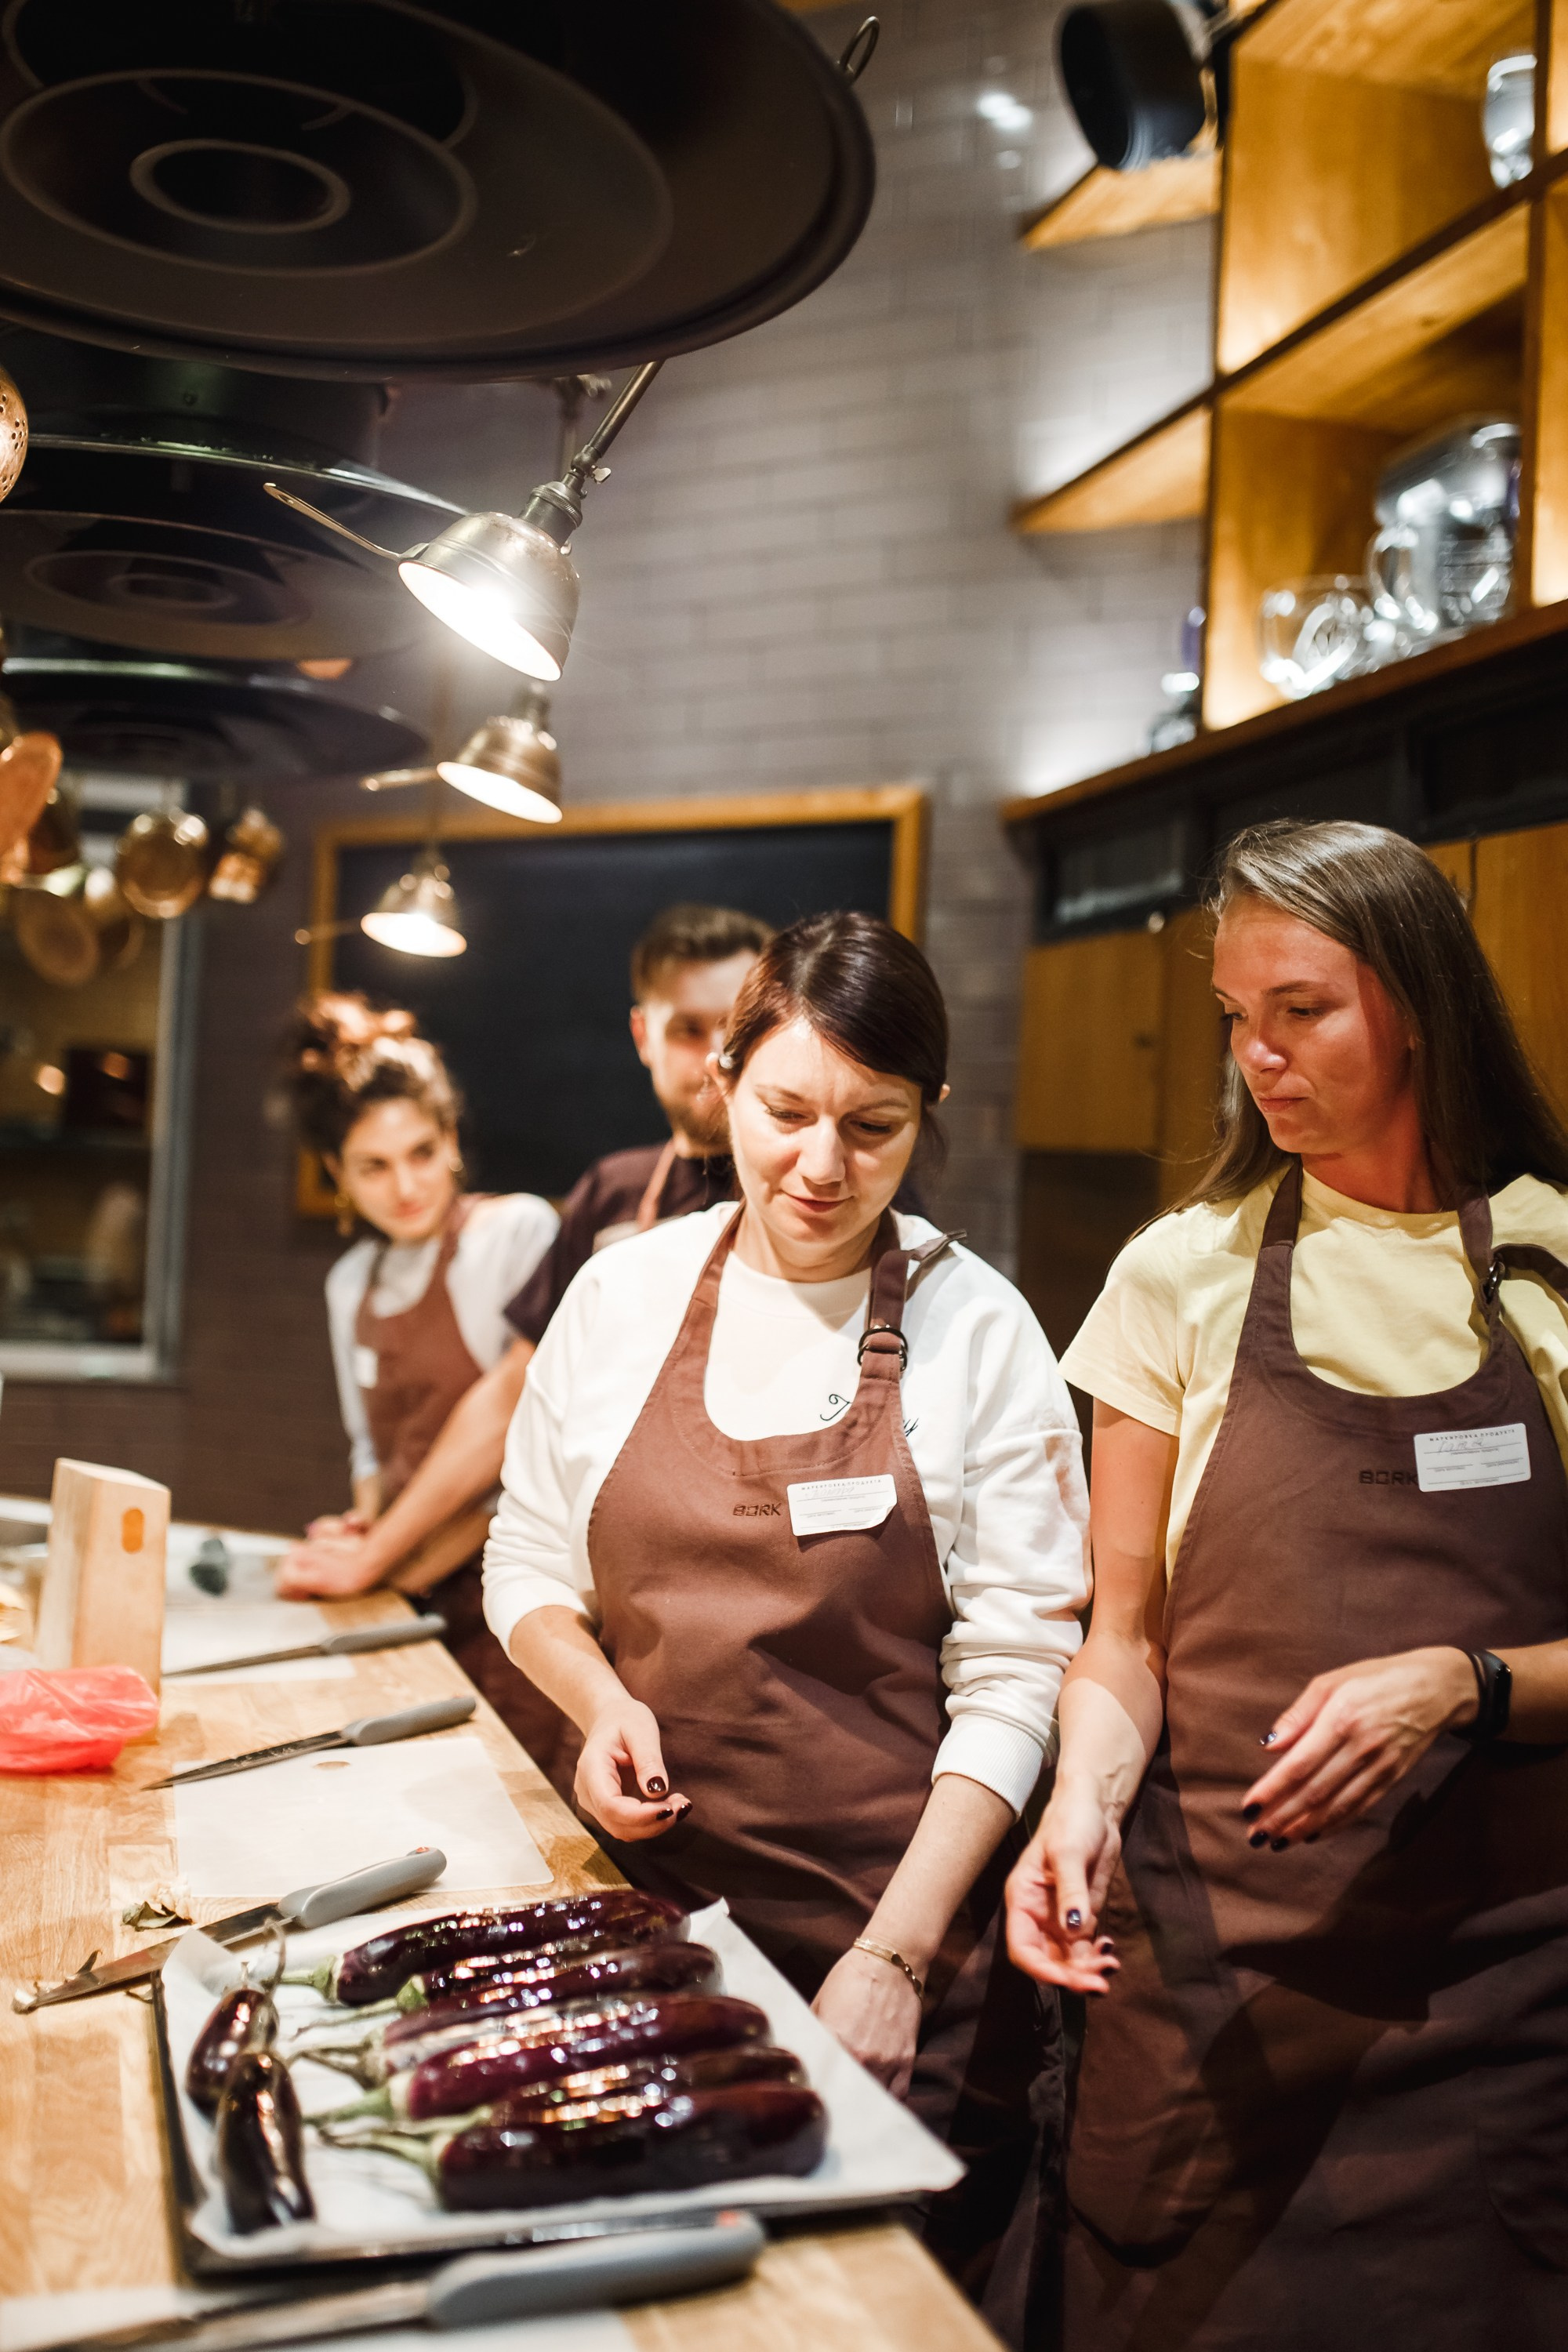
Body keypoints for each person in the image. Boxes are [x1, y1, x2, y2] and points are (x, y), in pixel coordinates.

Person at [483, 911, 1090, 2344]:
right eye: (786, 1113)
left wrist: (893, 1957)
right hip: (650, 1932)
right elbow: (528, 1556)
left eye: (874, 1128)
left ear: (927, 1114)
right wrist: (597, 1700)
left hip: (898, 1954)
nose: (822, 1166)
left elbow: (1019, 1672)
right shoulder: (623, 1295)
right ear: (724, 1084)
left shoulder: (977, 1328)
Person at [1005, 818, 1568, 2351]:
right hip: (1215, 1992)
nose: (1257, 1056)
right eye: (1235, 1016)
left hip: (1496, 2010)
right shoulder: (1178, 1273)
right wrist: (1075, 1808)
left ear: (1417, 1002)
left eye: (1300, 1010)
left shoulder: (1548, 1256)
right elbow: (1123, 1642)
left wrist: (1463, 1682)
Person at [274, 905, 769, 1622]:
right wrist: (376, 1545)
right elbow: (519, 1396)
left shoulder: (803, 1192)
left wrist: (385, 1561)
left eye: (738, 1028)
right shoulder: (611, 1195)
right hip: (585, 1583)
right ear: (643, 1036)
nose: (718, 1054)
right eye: (688, 1028)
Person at [274, 995, 558, 1748]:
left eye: (421, 1153)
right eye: (374, 1166)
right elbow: (370, 1451)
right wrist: (366, 1521)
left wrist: (380, 1556)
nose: (405, 1187)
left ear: (452, 1139)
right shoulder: (349, 1283)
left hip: (508, 1601)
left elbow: (518, 1434)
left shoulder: (514, 1233)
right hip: (405, 1592)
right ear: (336, 1172)